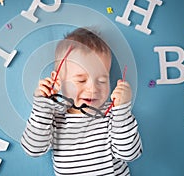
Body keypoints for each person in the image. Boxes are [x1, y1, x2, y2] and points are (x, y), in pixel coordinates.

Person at [21, 27, 142, 176]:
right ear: (57, 81)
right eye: (81, 80)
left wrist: (122, 110)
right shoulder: (54, 116)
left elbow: (130, 154)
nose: (93, 88)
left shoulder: (113, 114)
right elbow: (33, 149)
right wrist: (42, 106)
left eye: (102, 80)